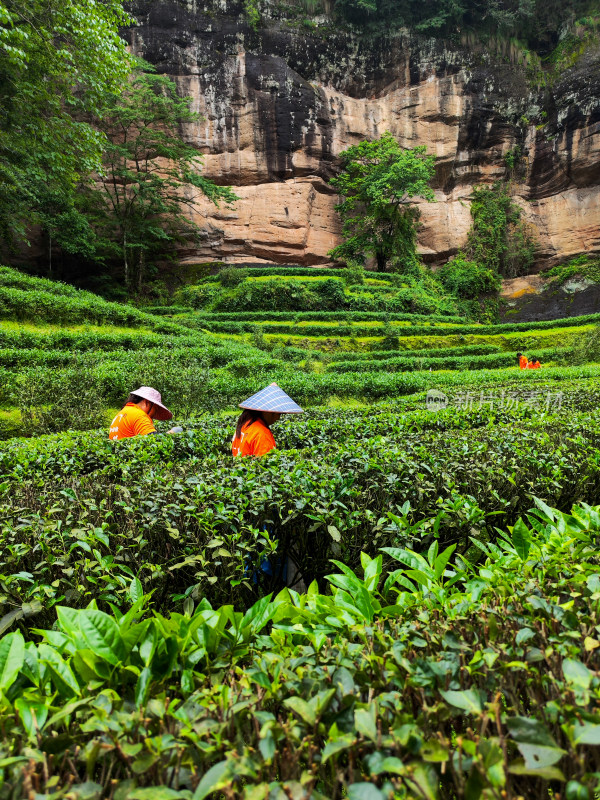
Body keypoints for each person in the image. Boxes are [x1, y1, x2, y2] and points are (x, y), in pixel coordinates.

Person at [232, 382, 303, 457]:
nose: (278, 418)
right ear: (267, 412)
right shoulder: (262, 434)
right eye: (278, 414)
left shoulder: (244, 424)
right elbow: (265, 465)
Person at [109, 386, 176, 440]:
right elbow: (154, 440)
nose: (153, 416)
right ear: (147, 403)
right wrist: (171, 433)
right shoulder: (139, 415)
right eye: (155, 409)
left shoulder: (122, 413)